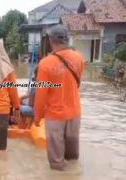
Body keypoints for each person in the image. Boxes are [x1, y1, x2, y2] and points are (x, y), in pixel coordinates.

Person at [34, 25, 85, 172]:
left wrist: (37, 117)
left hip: (55, 116)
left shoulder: (45, 64)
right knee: (72, 158)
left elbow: (41, 95)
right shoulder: (79, 58)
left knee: (57, 163)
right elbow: (77, 82)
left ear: (51, 40)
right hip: (75, 113)